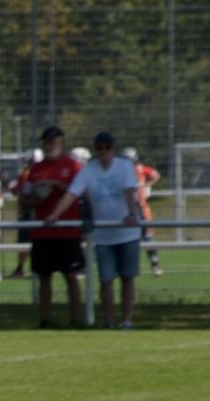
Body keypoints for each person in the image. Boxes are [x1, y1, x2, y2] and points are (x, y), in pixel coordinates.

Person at [45, 131, 142, 329]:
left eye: (107, 147)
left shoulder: (124, 166)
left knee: (127, 278)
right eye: (99, 148)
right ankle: (108, 322)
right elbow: (72, 193)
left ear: (113, 149)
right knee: (106, 280)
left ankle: (126, 320)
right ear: (95, 149)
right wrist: (54, 214)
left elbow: (130, 190)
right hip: (103, 236)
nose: (103, 151)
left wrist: (132, 213)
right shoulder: (89, 170)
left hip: (127, 233)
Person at [20, 126, 84, 329]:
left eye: (53, 141)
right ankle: (45, 319)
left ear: (62, 142)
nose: (49, 145)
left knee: (71, 276)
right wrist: (38, 198)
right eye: (46, 142)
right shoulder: (36, 170)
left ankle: (76, 319)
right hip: (42, 232)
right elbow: (24, 202)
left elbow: (80, 194)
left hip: (67, 231)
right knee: (44, 277)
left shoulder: (73, 167)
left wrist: (57, 185)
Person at [122, 146, 163, 277]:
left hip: (142, 208)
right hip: (126, 210)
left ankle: (155, 264)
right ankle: (128, 266)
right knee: (128, 239)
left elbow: (155, 175)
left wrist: (147, 186)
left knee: (148, 237)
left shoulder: (140, 169)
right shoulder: (121, 172)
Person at [7, 149, 44, 279]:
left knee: (25, 242)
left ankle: (22, 269)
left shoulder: (27, 174)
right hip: (39, 212)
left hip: (28, 212)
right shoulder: (43, 173)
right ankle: (31, 269)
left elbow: (20, 193)